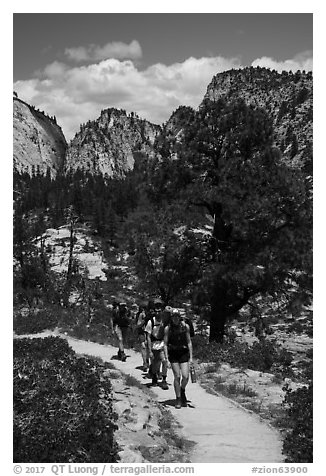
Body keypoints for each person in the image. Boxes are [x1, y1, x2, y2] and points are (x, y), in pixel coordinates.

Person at [164, 310, 193, 408]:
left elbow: (189, 342)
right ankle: (178, 398)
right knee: (177, 376)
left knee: (185, 376)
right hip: (173, 353)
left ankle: (182, 389)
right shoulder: (168, 329)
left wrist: (191, 357)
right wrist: (166, 358)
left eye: (177, 316)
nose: (175, 318)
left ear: (179, 317)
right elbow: (165, 343)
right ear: (171, 318)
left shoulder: (185, 327)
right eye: (173, 317)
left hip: (183, 352)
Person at [145, 308, 169, 389]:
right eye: (156, 311)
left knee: (165, 361)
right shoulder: (151, 322)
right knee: (155, 364)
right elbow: (148, 337)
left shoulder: (164, 321)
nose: (158, 313)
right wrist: (150, 350)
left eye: (159, 311)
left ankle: (164, 380)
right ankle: (154, 376)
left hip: (162, 345)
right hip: (154, 345)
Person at [135, 303, 150, 371]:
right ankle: (145, 363)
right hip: (142, 332)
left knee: (148, 348)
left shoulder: (150, 315)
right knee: (143, 347)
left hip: (148, 333)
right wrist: (143, 320)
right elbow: (138, 325)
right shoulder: (139, 315)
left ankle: (147, 361)